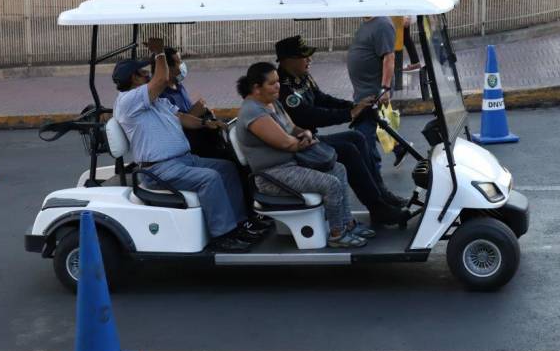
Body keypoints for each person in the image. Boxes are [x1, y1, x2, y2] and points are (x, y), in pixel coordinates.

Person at [112, 37, 264, 253]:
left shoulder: (154, 101)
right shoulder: (128, 101)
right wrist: (159, 53)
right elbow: (161, 80)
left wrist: (206, 123)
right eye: (142, 73)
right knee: (209, 179)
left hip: (183, 160)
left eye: (146, 71)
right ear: (132, 79)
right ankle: (222, 235)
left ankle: (239, 224)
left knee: (227, 169)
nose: (147, 74)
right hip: (159, 169)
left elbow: (181, 117)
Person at [235, 62, 373, 248]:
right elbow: (287, 143)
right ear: (256, 88)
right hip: (273, 175)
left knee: (338, 169)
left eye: (278, 81)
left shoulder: (272, 103)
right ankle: (337, 234)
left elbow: (292, 128)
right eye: (272, 83)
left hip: (292, 165)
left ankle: (347, 223)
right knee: (331, 184)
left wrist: (305, 133)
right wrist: (305, 138)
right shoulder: (252, 112)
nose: (278, 86)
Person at [274, 35, 410, 222]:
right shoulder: (283, 88)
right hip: (300, 146)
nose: (309, 60)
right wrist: (350, 114)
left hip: (311, 141)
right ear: (288, 60)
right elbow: (310, 115)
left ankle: (380, 193)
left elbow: (323, 99)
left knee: (357, 138)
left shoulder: (302, 77)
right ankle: (377, 207)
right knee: (348, 150)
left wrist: (355, 106)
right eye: (303, 57)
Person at [347, 15, 414, 171]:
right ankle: (399, 148)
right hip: (364, 90)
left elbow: (389, 57)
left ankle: (372, 171)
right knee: (376, 123)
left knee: (363, 133)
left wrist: (384, 88)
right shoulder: (368, 23)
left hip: (372, 92)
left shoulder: (382, 24)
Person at [158, 46, 229, 160]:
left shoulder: (178, 86)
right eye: (178, 62)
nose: (182, 64)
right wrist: (195, 113)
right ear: (168, 68)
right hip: (188, 143)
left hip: (199, 131)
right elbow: (175, 125)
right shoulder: (162, 96)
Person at [401, 0, 422, 73]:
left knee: (405, 38)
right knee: (405, 38)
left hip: (405, 14)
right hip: (404, 13)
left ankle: (415, 62)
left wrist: (407, 16)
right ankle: (415, 62)